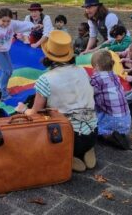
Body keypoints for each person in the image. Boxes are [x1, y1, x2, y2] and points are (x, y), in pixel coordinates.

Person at [15, 30, 97, 172]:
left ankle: (65, 154)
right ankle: (87, 148)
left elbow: (34, 113)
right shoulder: (82, 71)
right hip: (93, 130)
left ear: (48, 55)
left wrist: (22, 109)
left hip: (68, 136)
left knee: (37, 122)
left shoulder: (45, 79)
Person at [0, 8, 39, 100]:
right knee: (6, 70)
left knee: (9, 70)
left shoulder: (12, 24)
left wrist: (32, 26)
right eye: (3, 21)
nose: (6, 23)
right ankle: (2, 94)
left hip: (4, 50)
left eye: (8, 21)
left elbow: (21, 25)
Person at [90, 50, 131, 150]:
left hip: (113, 122)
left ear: (97, 66)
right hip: (126, 121)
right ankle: (118, 134)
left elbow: (89, 93)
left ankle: (108, 136)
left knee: (92, 130)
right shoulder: (115, 75)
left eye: (93, 67)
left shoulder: (96, 78)